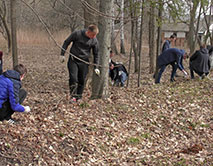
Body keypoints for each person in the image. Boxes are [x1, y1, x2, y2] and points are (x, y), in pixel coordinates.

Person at [60, 24, 100, 102]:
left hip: (84, 62)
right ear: (88, 32)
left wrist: (96, 67)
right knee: (73, 78)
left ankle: (79, 97)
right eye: (93, 35)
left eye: (95, 35)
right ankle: (73, 96)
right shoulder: (77, 34)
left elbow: (96, 54)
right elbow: (66, 42)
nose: (94, 37)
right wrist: (62, 54)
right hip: (73, 60)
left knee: (82, 80)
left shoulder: (94, 40)